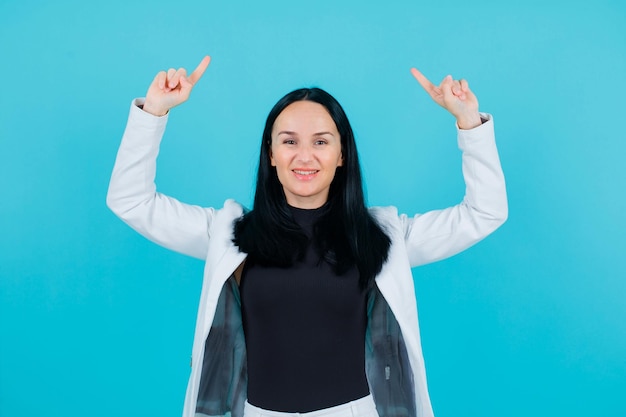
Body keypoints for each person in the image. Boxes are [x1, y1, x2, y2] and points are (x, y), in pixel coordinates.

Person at [106, 55, 507, 417]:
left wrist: (469, 124)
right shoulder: (228, 235)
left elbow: (484, 212)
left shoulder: (382, 237)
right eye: (289, 142)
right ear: (271, 154)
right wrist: (153, 113)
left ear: (341, 154)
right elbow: (131, 201)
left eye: (321, 142)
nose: (304, 156)